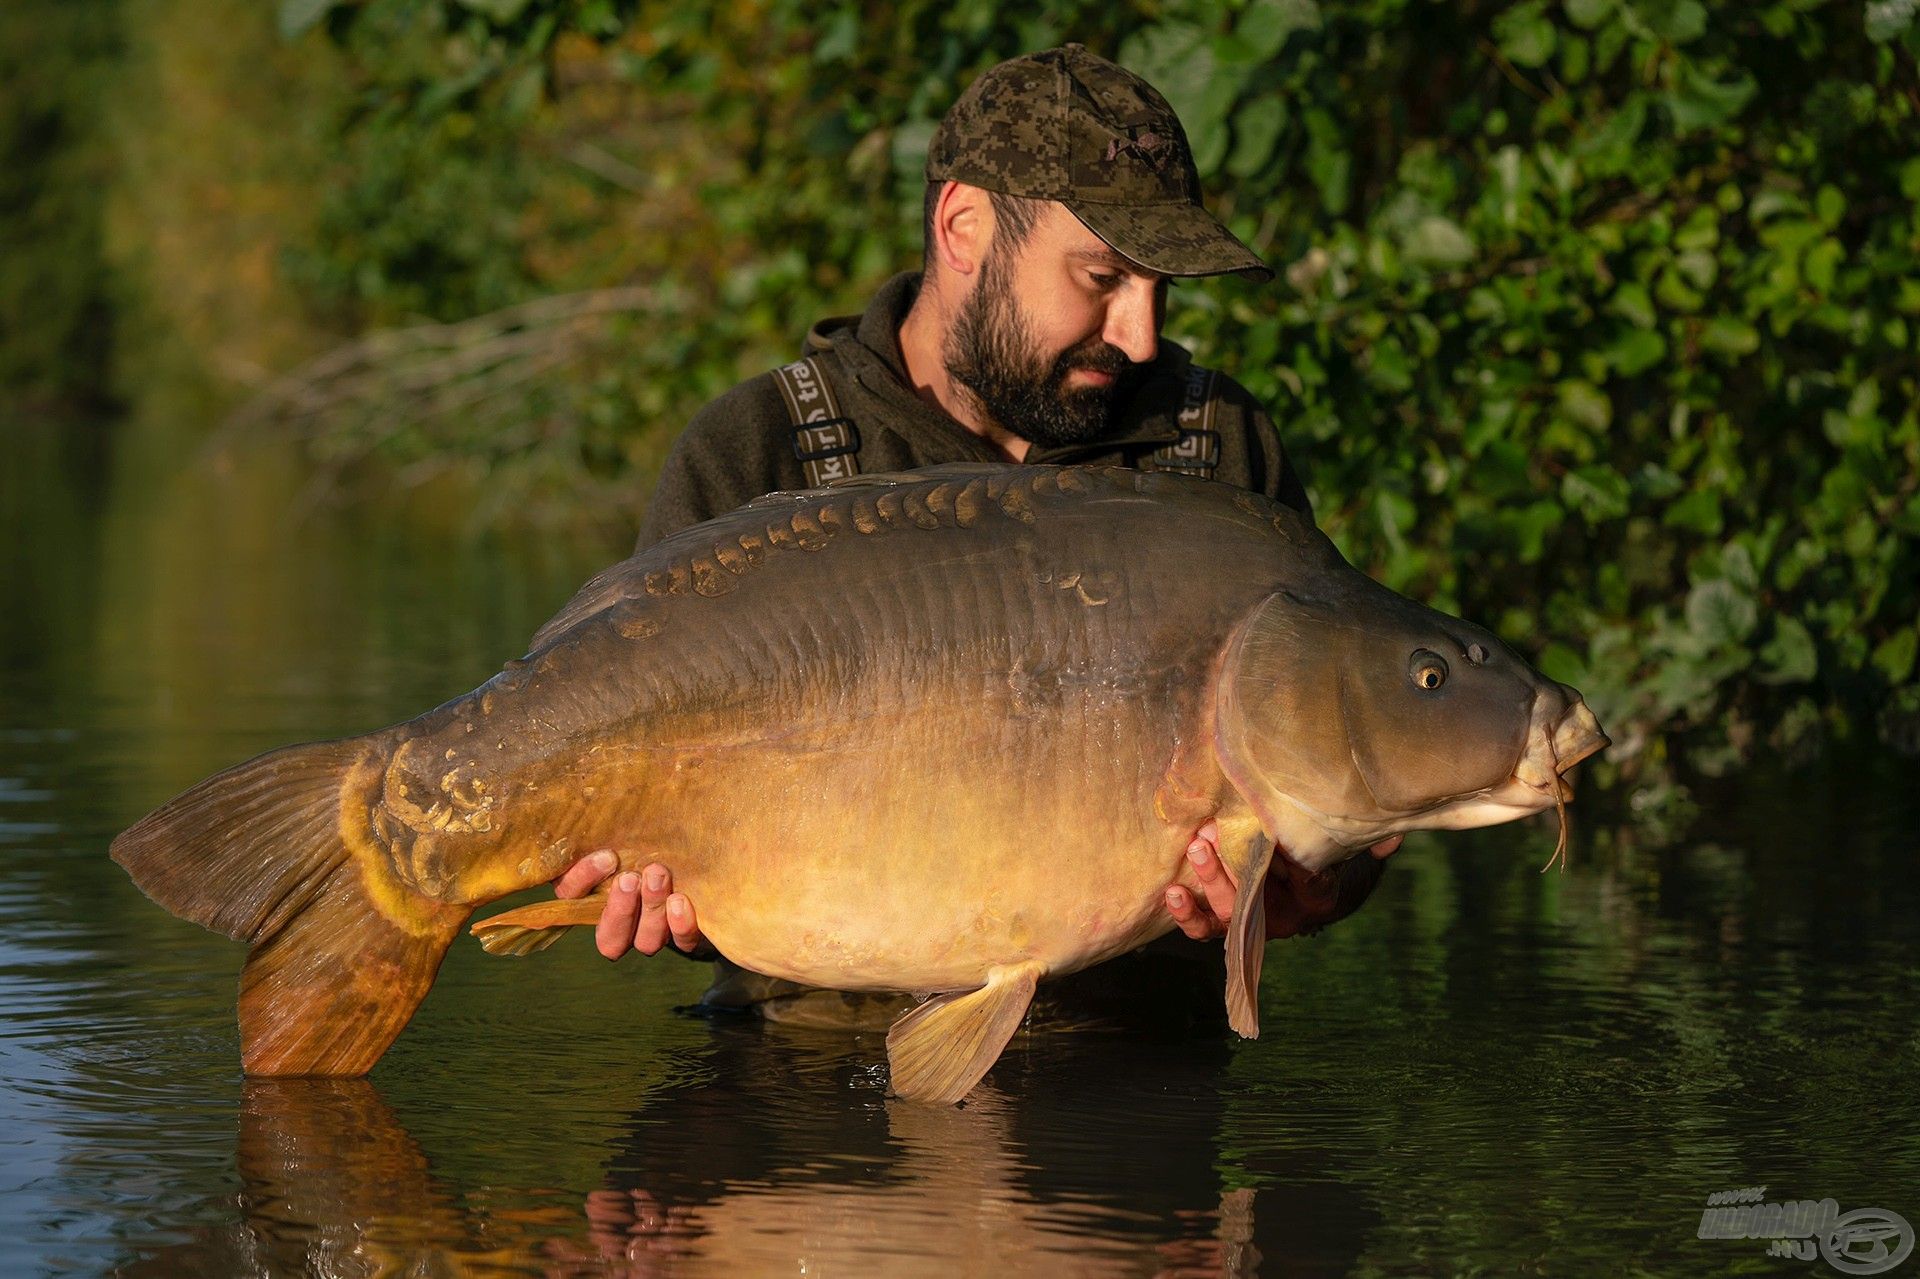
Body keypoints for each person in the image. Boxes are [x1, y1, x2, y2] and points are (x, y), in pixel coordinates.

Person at [549, 44, 1399, 989]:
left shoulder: (1218, 454)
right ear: (964, 228)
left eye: (1162, 287)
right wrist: (650, 897)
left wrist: (1304, 894)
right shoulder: (757, 451)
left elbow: (1339, 822)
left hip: (1125, 1083)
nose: (1142, 335)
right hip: (801, 1073)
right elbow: (645, 824)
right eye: (1103, 277)